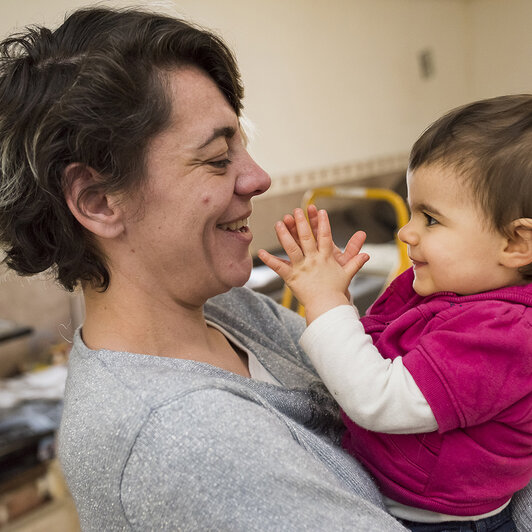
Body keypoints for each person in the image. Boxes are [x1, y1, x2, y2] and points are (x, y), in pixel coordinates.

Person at [0, 6, 416, 531]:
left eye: (244, 145)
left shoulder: (227, 310)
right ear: (100, 200)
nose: (258, 178)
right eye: (218, 158)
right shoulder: (183, 439)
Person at [259, 95, 532, 531]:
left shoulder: (506, 335)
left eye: (431, 219)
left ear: (516, 244)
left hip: (442, 522)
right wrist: (343, 304)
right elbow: (379, 351)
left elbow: (378, 398)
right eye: (412, 212)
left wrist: (325, 303)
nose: (406, 232)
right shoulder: (454, 289)